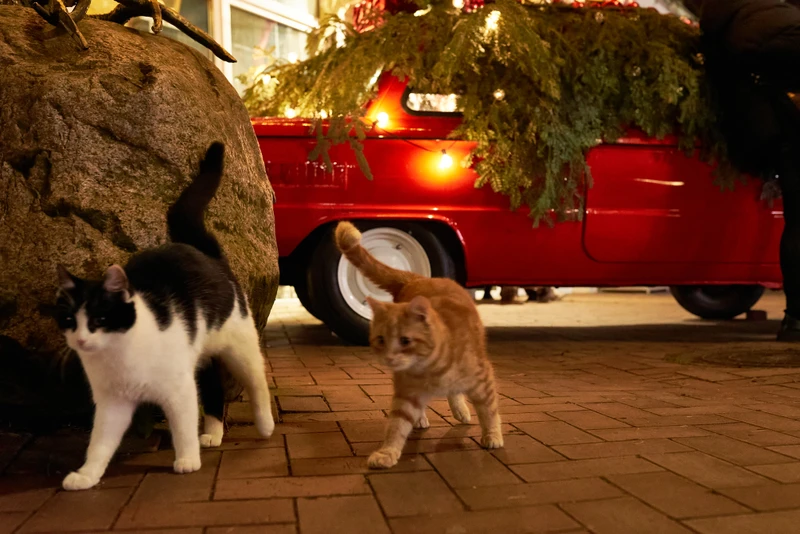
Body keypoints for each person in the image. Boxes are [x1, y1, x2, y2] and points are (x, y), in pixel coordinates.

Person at [688, 0, 800, 340]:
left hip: (773, 131)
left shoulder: (721, 25)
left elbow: (727, 92)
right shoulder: (784, 18)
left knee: (797, 221)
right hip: (790, 121)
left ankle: (796, 319)